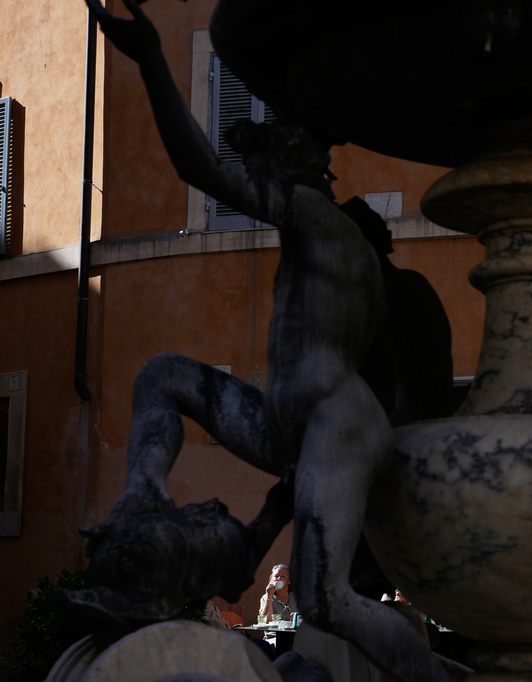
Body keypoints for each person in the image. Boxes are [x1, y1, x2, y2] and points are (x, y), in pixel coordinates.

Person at [83, 1, 449, 680]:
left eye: (259, 164)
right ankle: (144, 492)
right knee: (160, 374)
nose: (250, 181)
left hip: (333, 428)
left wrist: (153, 61)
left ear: (288, 163)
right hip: (289, 426)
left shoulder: (312, 214)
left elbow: (195, 168)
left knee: (324, 599)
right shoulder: (310, 231)